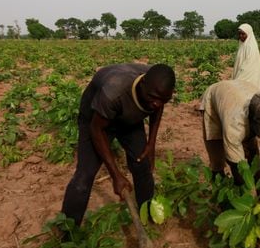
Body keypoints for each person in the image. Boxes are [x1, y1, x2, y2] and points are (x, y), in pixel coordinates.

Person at [61, 63, 176, 225]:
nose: (157, 103)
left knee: (142, 165)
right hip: (96, 120)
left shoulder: (155, 88)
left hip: (128, 118)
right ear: (142, 84)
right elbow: (96, 129)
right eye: (153, 97)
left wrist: (151, 144)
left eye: (164, 99)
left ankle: (147, 213)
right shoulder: (114, 92)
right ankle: (68, 232)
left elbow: (158, 106)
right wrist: (116, 175)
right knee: (83, 178)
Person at [199, 79, 260, 199]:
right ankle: (221, 195)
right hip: (214, 100)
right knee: (217, 159)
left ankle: (257, 191)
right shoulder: (234, 125)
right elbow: (236, 165)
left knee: (252, 154)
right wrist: (245, 197)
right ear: (251, 121)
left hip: (239, 92)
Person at [232, 23, 260, 94]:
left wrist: (238, 80)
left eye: (243, 34)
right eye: (239, 34)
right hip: (241, 73)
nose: (241, 36)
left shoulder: (251, 47)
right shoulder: (242, 45)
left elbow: (248, 66)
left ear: (248, 34)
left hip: (250, 77)